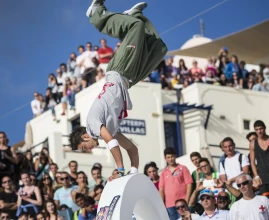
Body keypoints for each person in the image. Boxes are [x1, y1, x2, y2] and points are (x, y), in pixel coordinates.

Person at [69, 1, 167, 180]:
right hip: (129, 79)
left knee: (135, 27)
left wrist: (121, 171)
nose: (90, 149)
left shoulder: (92, 125)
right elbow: (132, 148)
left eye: (85, 147)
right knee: (158, 50)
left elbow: (112, 142)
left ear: (84, 136)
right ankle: (133, 16)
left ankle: (97, 13)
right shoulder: (110, 129)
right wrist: (133, 172)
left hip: (119, 70)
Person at [249, 120, 269, 207]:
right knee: (266, 204)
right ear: (255, 131)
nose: (259, 131)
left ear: (265, 128)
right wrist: (256, 176)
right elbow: (252, 162)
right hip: (262, 178)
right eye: (257, 129)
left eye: (261, 129)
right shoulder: (253, 143)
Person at [159, 147, 193, 220]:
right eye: (168, 157)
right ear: (165, 158)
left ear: (175, 156)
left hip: (182, 204)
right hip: (169, 205)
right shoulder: (163, 172)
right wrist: (161, 205)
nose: (170, 159)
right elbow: (161, 189)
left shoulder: (183, 168)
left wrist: (186, 201)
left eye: (172, 156)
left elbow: (189, 185)